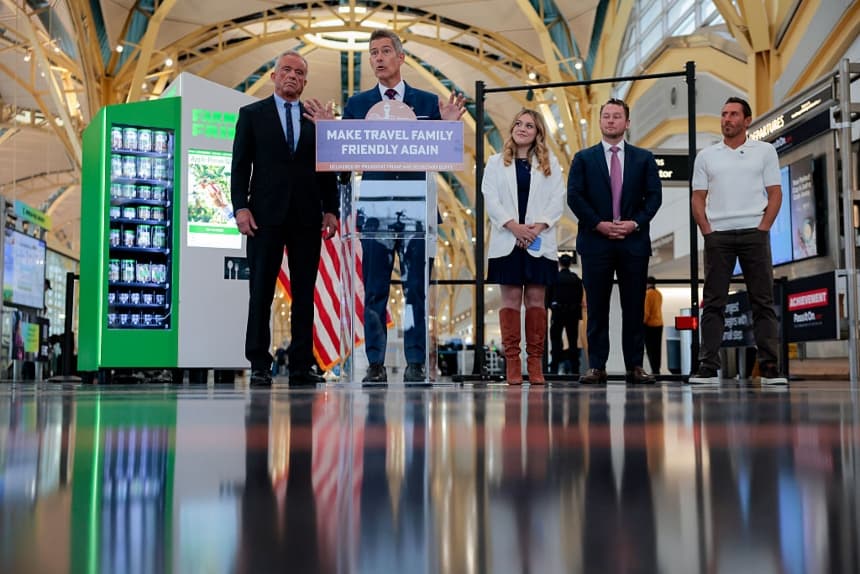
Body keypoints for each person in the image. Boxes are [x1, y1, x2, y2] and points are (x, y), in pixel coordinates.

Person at [306, 29, 465, 384]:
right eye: (372, 53)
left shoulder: (427, 103)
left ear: (400, 57)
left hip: (417, 210)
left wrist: (450, 128)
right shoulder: (357, 106)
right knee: (375, 289)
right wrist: (330, 133)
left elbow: (445, 157)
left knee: (416, 291)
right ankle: (374, 363)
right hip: (375, 208)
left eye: (384, 51)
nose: (377, 58)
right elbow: (343, 165)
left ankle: (416, 362)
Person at [230, 50, 339, 387]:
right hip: (264, 215)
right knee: (260, 290)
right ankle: (259, 364)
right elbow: (240, 165)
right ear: (274, 76)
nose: (293, 76)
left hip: (307, 216)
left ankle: (301, 366)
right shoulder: (251, 115)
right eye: (286, 70)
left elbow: (327, 169)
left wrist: (331, 208)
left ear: (305, 81)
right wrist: (240, 207)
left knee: (305, 293)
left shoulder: (316, 120)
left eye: (300, 72)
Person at [689, 97, 787, 385]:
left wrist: (763, 228)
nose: (726, 119)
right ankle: (708, 366)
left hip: (753, 233)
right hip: (718, 235)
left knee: (762, 301)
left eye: (733, 114)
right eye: (723, 114)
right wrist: (707, 229)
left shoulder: (765, 151)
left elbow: (775, 192)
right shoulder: (706, 156)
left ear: (747, 120)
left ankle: (769, 368)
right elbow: (698, 197)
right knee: (714, 302)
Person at [567, 98, 662, 384]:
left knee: (634, 307)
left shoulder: (643, 158)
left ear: (627, 123)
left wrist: (634, 223)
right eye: (606, 116)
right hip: (596, 242)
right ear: (600, 122)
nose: (611, 120)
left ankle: (635, 365)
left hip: (633, 242)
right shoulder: (583, 159)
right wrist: (599, 224)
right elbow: (575, 196)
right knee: (597, 307)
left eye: (617, 116)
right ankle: (597, 366)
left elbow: (654, 196)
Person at [483, 109, 565, 384]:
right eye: (518, 123)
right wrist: (513, 226)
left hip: (538, 241)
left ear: (537, 132)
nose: (522, 128)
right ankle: (513, 363)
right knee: (510, 300)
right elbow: (490, 197)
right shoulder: (495, 163)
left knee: (535, 300)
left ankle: (536, 363)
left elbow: (557, 198)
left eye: (529, 125)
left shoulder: (549, 163)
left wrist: (537, 227)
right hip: (507, 238)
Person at [546, 253, 583, 375]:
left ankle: (554, 369)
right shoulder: (576, 279)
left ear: (559, 263)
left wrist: (549, 307)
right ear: (570, 264)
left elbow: (548, 296)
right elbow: (579, 297)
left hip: (558, 313)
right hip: (572, 314)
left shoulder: (554, 277)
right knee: (573, 342)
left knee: (555, 341)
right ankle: (575, 369)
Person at [643, 276, 663, 375]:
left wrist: (642, 322)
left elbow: (646, 311)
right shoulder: (658, 293)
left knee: (650, 349)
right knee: (657, 349)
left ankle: (654, 370)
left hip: (650, 325)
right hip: (659, 323)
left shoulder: (648, 294)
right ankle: (657, 369)